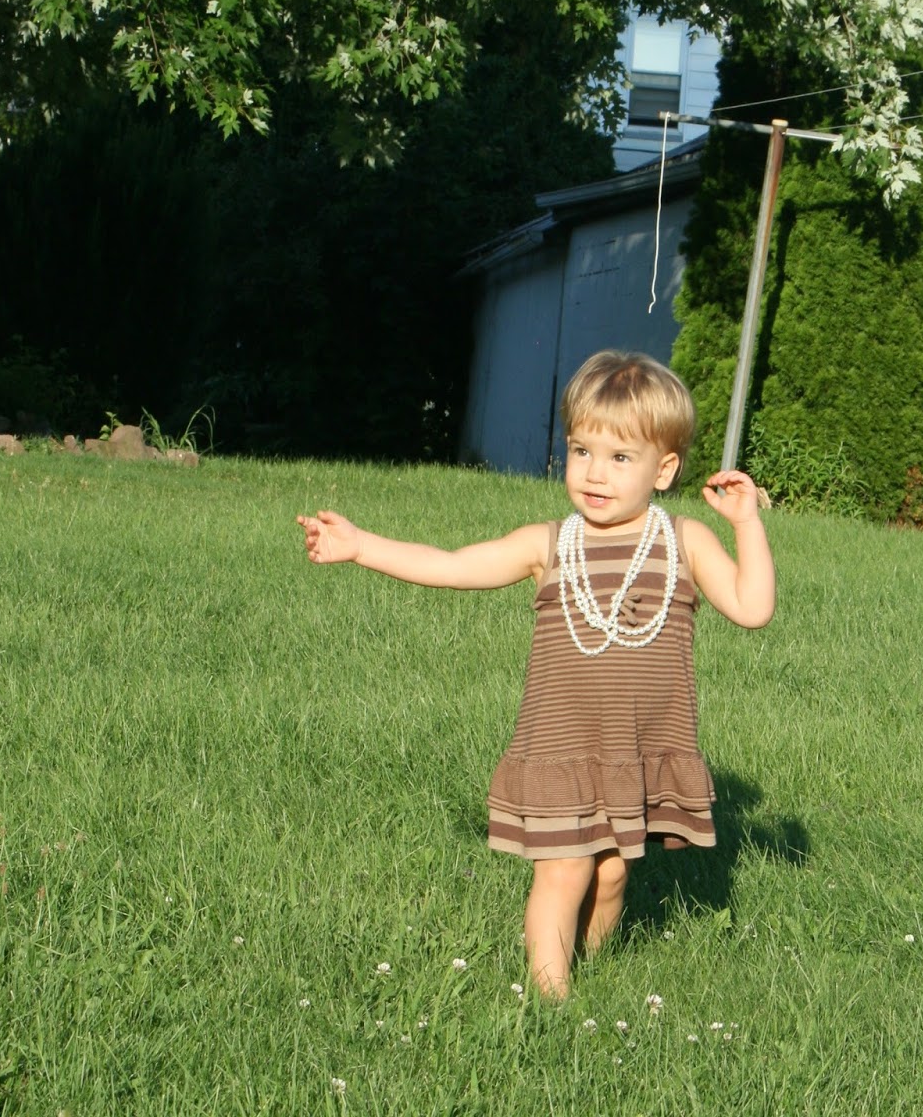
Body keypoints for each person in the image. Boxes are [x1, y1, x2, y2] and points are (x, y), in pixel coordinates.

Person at [297, 350, 775, 998]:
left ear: (664, 469)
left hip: (633, 748)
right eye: (581, 451)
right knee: (564, 871)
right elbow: (453, 565)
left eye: (620, 457)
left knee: (611, 875)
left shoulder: (683, 541)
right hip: (560, 747)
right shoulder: (547, 544)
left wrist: (746, 524)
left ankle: (591, 968)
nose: (595, 472)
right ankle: (552, 1001)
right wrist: (362, 547)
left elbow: (752, 608)